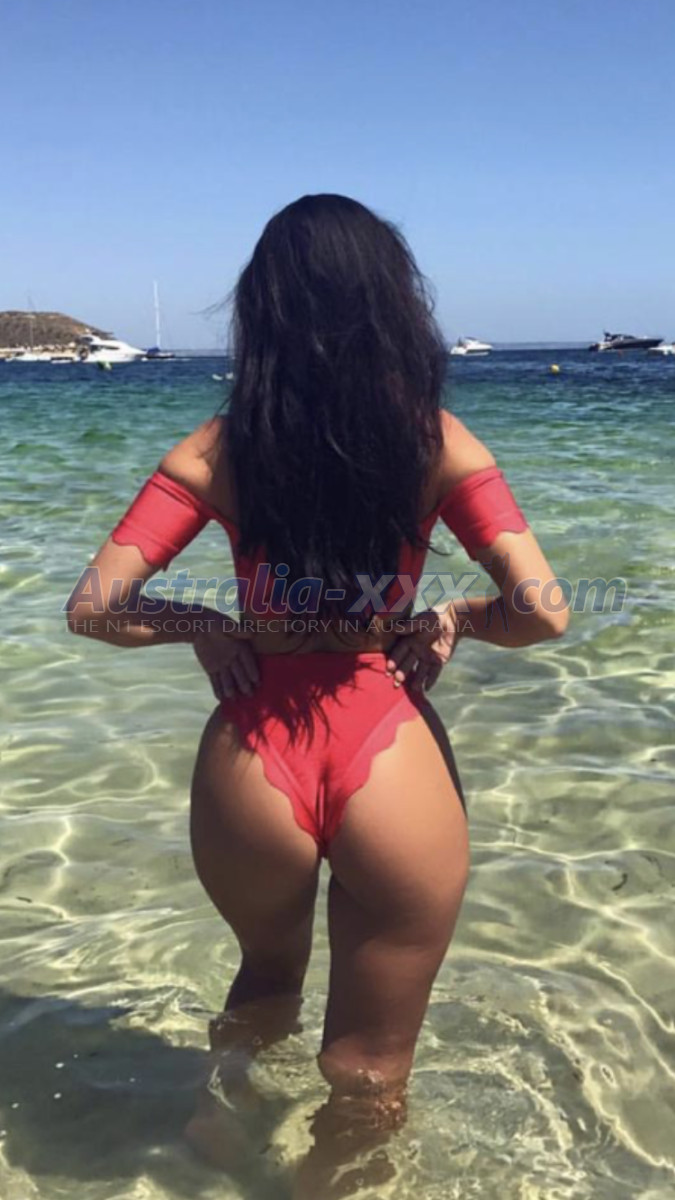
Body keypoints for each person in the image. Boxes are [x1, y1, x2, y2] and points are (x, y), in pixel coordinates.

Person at [67, 194, 568, 1195]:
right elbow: (544, 611)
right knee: (371, 1071)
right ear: (394, 306)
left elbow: (95, 607)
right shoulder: (438, 443)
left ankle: (214, 1141)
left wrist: (204, 626)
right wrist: (458, 619)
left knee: (262, 979)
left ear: (264, 310)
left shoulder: (215, 451)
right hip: (386, 746)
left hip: (252, 754)